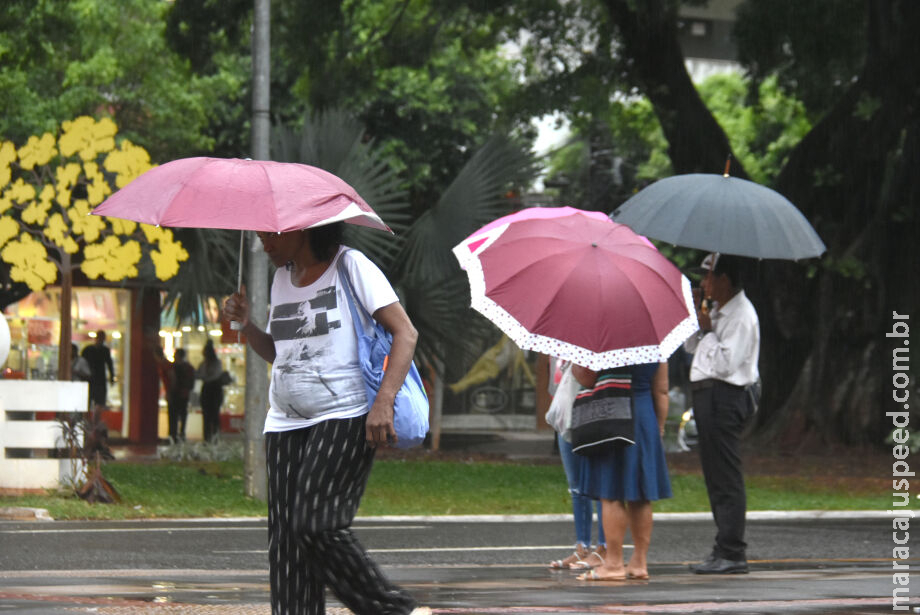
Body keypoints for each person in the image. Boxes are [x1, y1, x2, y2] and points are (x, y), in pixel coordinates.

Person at [222, 222, 430, 615]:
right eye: (260, 235)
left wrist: (383, 402)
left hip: (345, 413)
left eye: (270, 234)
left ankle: (393, 610)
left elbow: (406, 333)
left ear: (301, 229)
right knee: (286, 542)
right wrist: (247, 325)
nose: (262, 242)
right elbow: (280, 353)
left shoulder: (352, 266)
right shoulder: (282, 278)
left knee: (316, 523)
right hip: (284, 421)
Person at [683, 253, 760, 575]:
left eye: (707, 277)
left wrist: (709, 330)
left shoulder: (741, 315)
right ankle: (722, 547)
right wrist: (699, 322)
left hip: (726, 397)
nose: (703, 284)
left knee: (726, 475)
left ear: (725, 279)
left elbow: (727, 363)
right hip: (709, 396)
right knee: (714, 474)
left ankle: (732, 550)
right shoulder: (717, 311)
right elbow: (691, 348)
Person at [573, 361, 672, 581]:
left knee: (611, 493)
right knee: (641, 493)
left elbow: (587, 378)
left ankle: (614, 564)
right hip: (644, 415)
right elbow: (662, 390)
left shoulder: (603, 338)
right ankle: (639, 562)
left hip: (612, 415)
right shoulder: (655, 339)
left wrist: (573, 363)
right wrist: (659, 427)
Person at [546, 358, 606, 570]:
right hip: (566, 419)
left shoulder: (587, 344)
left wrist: (575, 360)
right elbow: (554, 386)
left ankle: (603, 548)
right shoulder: (555, 350)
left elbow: (590, 379)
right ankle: (582, 548)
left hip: (590, 416)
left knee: (600, 486)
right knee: (576, 487)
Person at [196, 340, 225, 443]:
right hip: (206, 389)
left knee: (214, 414)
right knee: (206, 415)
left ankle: (215, 437)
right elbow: (198, 375)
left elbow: (215, 375)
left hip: (214, 389)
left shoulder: (216, 363)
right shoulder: (203, 364)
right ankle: (207, 438)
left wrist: (205, 376)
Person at [81, 330, 115, 414]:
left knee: (99, 403)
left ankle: (94, 422)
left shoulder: (104, 350)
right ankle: (87, 421)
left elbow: (109, 364)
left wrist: (112, 377)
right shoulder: (88, 350)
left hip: (99, 380)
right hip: (90, 379)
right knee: (87, 402)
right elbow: (82, 363)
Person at [168, 348, 196, 442]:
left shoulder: (173, 367)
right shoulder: (188, 367)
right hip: (184, 394)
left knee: (173, 415)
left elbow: (172, 381)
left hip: (176, 393)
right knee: (182, 414)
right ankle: (181, 434)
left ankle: (173, 435)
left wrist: (170, 392)